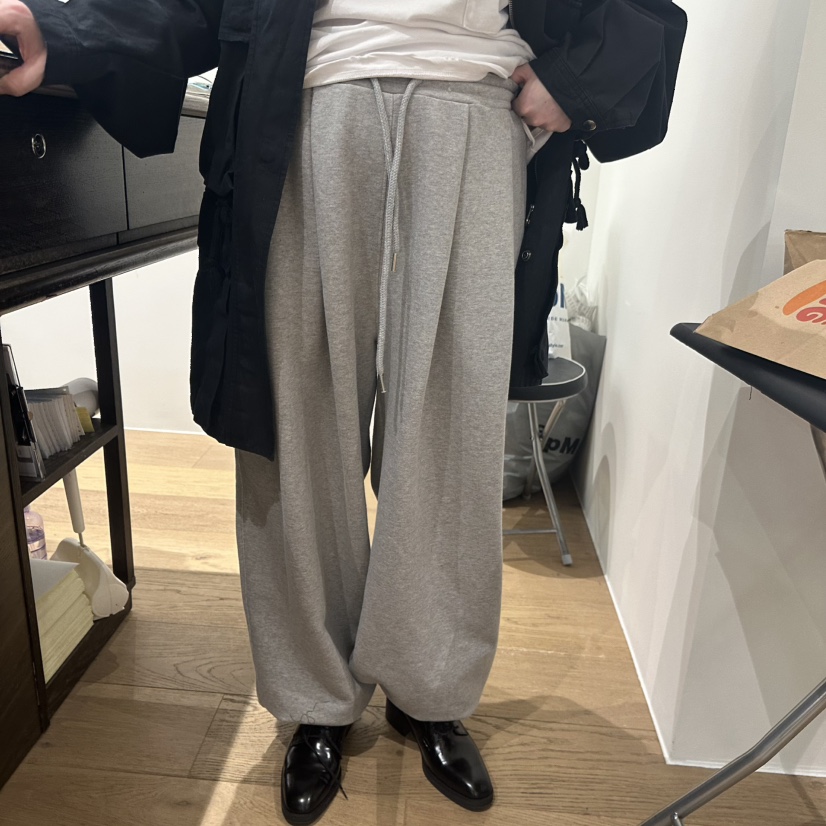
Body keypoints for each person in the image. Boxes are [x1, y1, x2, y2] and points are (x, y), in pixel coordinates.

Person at [0, 1, 687, 823]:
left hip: (474, 107)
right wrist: (66, 30)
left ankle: (430, 689)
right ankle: (314, 699)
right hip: (303, 108)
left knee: (450, 432)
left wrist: (577, 79)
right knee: (293, 423)